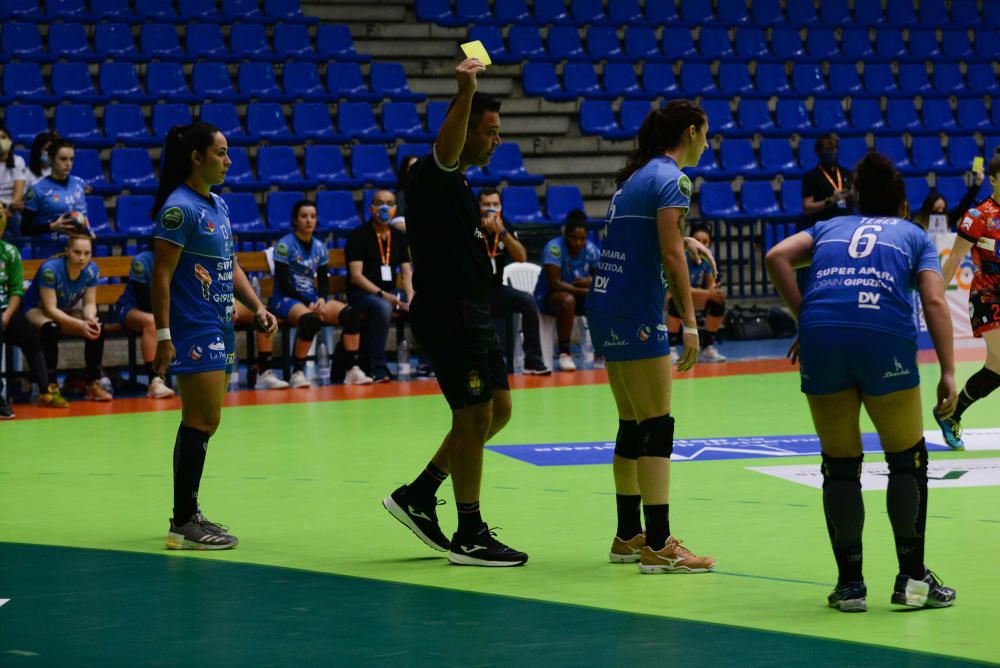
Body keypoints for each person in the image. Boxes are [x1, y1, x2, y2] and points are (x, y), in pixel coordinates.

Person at [765, 152, 957, 612]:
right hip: (881, 336)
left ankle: (850, 585)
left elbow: (776, 257)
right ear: (903, 204)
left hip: (822, 337)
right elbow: (933, 301)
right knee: (906, 460)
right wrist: (949, 371)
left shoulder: (830, 226)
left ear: (857, 199)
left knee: (841, 462)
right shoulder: (912, 235)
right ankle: (912, 582)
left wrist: (805, 315)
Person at [382, 58, 528, 567]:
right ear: (463, 128)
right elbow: (445, 150)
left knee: (498, 411)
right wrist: (466, 90)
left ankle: (419, 494)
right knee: (473, 415)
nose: (496, 141)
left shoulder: (461, 183)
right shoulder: (433, 174)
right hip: (449, 314)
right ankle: (470, 532)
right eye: (489, 132)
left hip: (473, 312)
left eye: (498, 133)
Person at [586, 99, 717, 574]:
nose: (709, 141)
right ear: (690, 132)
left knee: (632, 425)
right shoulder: (672, 179)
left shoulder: (635, 180)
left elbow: (647, 240)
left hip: (606, 307)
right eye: (706, 133)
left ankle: (627, 535)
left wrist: (683, 239)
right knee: (657, 427)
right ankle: (659, 545)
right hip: (637, 314)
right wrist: (690, 323)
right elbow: (667, 253)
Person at [150, 122, 278, 550]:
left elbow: (232, 263)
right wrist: (164, 334)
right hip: (194, 327)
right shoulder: (178, 209)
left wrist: (257, 306)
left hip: (221, 322)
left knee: (205, 423)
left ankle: (188, 512)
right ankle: (182, 520)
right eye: (221, 153)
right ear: (197, 157)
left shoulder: (217, 205)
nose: (228, 160)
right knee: (200, 421)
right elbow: (162, 277)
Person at [934, 154, 1000, 450]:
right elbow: (956, 257)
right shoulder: (979, 216)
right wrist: (934, 294)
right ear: (994, 180)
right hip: (987, 297)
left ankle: (950, 414)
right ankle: (950, 415)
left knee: (995, 370)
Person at [269, 199, 368, 387]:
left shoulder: (320, 247)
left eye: (313, 216)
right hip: (285, 298)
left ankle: (352, 370)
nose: (309, 220)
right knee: (310, 320)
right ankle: (297, 372)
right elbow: (282, 282)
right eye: (304, 216)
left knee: (352, 315)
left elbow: (323, 280)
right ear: (295, 220)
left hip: (312, 299)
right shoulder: (284, 245)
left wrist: (321, 298)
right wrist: (308, 303)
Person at [22, 234, 111, 401]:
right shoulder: (50, 270)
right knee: (51, 328)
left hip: (64, 309)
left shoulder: (92, 270)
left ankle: (93, 383)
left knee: (96, 326)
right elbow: (50, 309)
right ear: (67, 251)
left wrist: (90, 318)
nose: (82, 257)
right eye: (77, 252)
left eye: (87, 253)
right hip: (36, 309)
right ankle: (51, 384)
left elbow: (89, 303)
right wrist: (79, 324)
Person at [0, 202, 67, 417]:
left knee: (30, 337)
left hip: (6, 310)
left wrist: (7, 315)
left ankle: (45, 390)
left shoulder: (9, 252)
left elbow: (16, 289)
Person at [478, 187, 550, 375]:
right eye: (486, 205)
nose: (491, 208)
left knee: (527, 300)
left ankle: (532, 360)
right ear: (479, 206)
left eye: (495, 204)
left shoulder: (505, 226)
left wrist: (502, 232)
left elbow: (521, 256)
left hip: (496, 289)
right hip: (472, 291)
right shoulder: (471, 226)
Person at [346, 189, 413, 383]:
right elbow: (356, 277)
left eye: (390, 203)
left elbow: (406, 272)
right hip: (362, 294)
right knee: (383, 308)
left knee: (424, 304)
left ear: (395, 208)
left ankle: (430, 365)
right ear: (371, 207)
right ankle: (379, 369)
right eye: (379, 203)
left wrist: (410, 295)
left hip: (390, 292)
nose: (384, 208)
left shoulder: (399, 237)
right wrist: (383, 295)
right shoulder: (358, 236)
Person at [534, 210, 601, 372]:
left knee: (602, 300)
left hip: (577, 297)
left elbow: (602, 282)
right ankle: (564, 353)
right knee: (567, 300)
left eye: (582, 239)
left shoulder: (591, 250)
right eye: (573, 238)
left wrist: (590, 282)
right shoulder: (554, 248)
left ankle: (601, 353)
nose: (578, 243)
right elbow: (555, 284)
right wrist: (586, 291)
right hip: (548, 298)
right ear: (565, 235)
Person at [115, 248, 176, 399]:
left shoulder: (184, 260)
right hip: (131, 309)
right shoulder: (142, 261)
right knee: (152, 322)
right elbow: (145, 302)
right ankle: (155, 381)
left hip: (166, 311)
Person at [20, 139, 93, 260]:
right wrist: (52, 227)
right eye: (63, 159)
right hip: (51, 253)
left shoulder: (79, 183)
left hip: (79, 255)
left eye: (71, 159)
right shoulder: (37, 190)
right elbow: (25, 229)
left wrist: (88, 230)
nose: (68, 164)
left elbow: (84, 215)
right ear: (51, 159)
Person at [666, 222, 727, 363]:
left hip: (692, 296)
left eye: (705, 242)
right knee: (677, 300)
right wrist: (708, 293)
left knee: (718, 302)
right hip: (669, 296)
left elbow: (711, 285)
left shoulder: (708, 257)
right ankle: (670, 348)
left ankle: (707, 348)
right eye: (698, 241)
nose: (701, 245)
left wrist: (715, 292)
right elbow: (680, 289)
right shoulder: (680, 257)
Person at [800, 133, 856, 232]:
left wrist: (852, 196)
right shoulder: (811, 177)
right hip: (824, 226)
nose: (832, 152)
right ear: (818, 152)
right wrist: (831, 200)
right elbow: (807, 208)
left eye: (834, 149)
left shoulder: (846, 173)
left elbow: (856, 203)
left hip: (846, 225)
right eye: (828, 150)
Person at [913, 169, 986, 234]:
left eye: (943, 209)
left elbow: (964, 205)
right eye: (937, 209)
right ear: (928, 208)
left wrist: (977, 184)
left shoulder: (947, 219)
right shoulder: (918, 225)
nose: (940, 211)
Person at [0, 126, 27, 244]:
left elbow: (18, 192)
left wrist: (9, 208)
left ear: (10, 141)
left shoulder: (18, 161)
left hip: (12, 210)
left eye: (3, 137)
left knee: (19, 223)